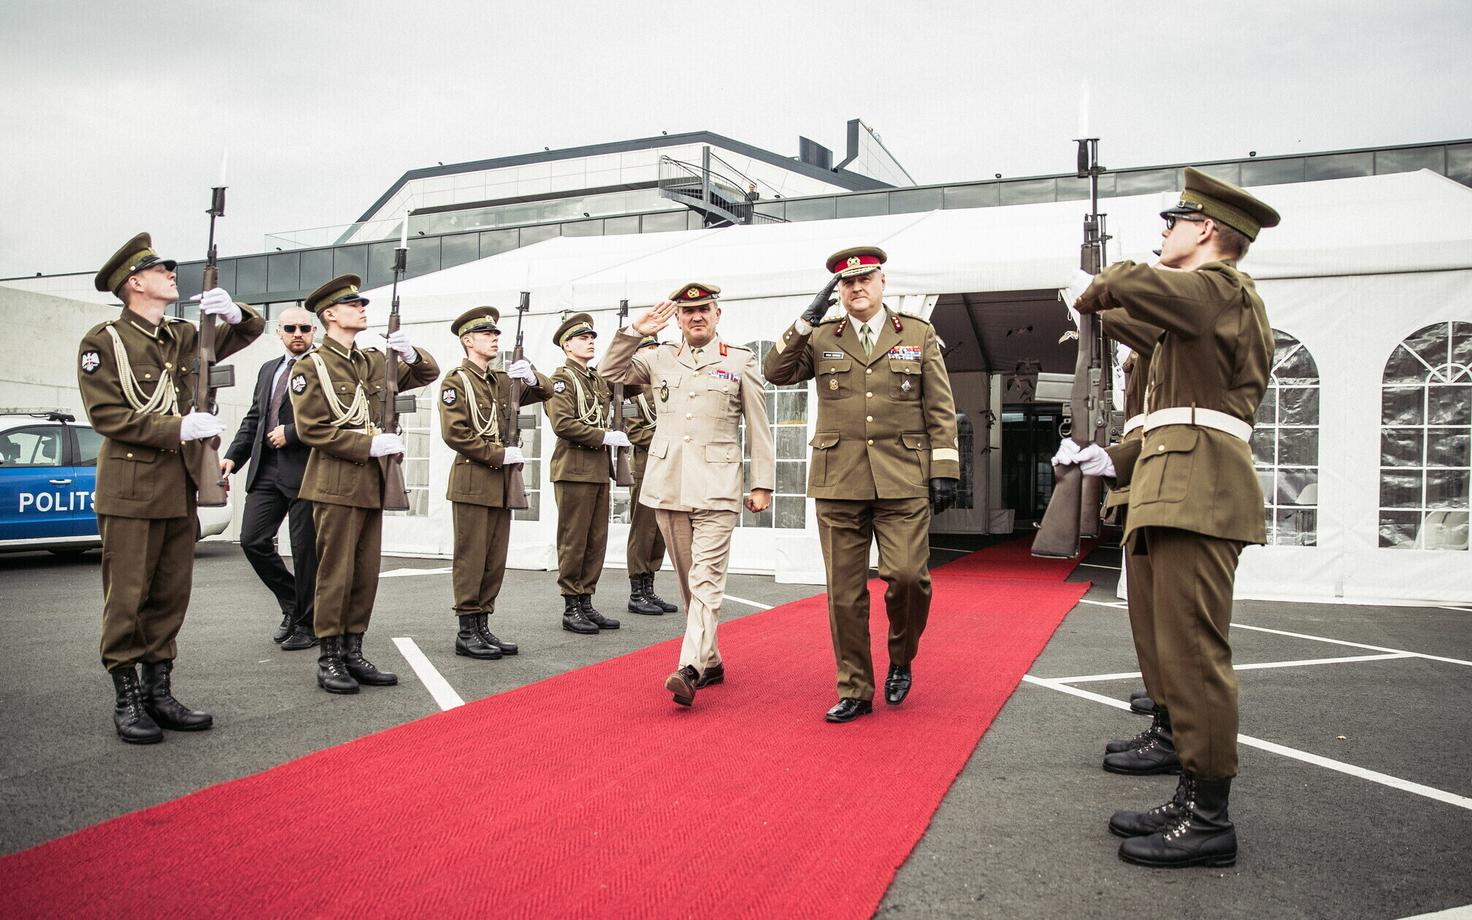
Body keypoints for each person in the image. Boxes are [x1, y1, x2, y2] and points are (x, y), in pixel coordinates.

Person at [1059, 167, 1279, 868]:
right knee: (1174, 653)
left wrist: (1098, 284)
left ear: (1206, 228)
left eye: (1174, 222)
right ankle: (1192, 794)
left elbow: (1135, 284)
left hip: (1200, 488)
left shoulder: (1221, 289)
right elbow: (1162, 384)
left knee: (1194, 656)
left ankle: (1209, 819)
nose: (1165, 234)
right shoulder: (1201, 307)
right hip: (1176, 483)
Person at [79, 232, 264, 743]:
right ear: (134, 282)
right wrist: (177, 427)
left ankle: (159, 691)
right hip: (132, 487)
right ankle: (127, 698)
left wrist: (235, 313)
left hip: (179, 487)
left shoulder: (185, 335)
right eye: (160, 270)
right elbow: (107, 415)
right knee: (129, 596)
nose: (170, 274)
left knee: (170, 594)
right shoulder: (105, 341)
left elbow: (249, 330)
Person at [763, 247, 960, 723]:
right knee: (844, 594)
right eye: (847, 283)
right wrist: (806, 319)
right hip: (838, 480)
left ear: (882, 282)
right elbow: (775, 372)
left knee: (908, 578)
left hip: (903, 479)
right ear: (839, 291)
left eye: (864, 279)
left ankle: (902, 658)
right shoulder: (821, 335)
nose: (856, 288)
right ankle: (855, 688)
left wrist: (944, 469)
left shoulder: (917, 333)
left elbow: (940, 408)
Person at [601, 283, 774, 706]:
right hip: (669, 485)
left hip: (717, 486)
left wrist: (762, 483)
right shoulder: (657, 357)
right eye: (688, 311)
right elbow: (609, 374)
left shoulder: (739, 360)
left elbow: (758, 424)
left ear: (718, 314)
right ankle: (710, 660)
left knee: (706, 580)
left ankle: (689, 668)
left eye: (704, 309)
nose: (696, 316)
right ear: (677, 319)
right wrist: (634, 332)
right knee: (688, 583)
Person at [289, 274, 439, 694]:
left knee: (364, 573)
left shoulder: (374, 360)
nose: (361, 309)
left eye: (362, 304)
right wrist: (368, 445)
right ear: (330, 315)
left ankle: (353, 650)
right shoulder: (311, 366)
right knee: (335, 573)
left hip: (371, 483)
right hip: (335, 483)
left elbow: (426, 372)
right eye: (352, 305)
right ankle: (329, 656)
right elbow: (312, 429)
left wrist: (411, 352)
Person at [437, 306, 550, 659]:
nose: (494, 338)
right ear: (468, 341)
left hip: (501, 484)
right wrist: (499, 455)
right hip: (473, 480)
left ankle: (483, 624)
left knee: (494, 558)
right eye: (486, 334)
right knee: (471, 558)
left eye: (496, 333)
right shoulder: (457, 382)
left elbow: (546, 391)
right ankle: (466, 630)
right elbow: (455, 433)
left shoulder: (503, 381)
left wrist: (530, 375)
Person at [222, 306, 320, 651]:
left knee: (305, 552)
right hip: (266, 468)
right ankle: (293, 602)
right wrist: (233, 456)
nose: (298, 334)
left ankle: (309, 624)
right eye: (290, 328)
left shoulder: (322, 366)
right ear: (279, 332)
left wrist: (291, 433)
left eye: (305, 328)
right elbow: (256, 418)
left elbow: (329, 416)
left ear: (314, 331)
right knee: (252, 540)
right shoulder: (269, 369)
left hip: (306, 469)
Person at [544, 312, 627, 634]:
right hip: (574, 469)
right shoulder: (561, 380)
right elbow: (563, 423)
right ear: (567, 345)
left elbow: (630, 386)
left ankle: (586, 600)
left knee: (596, 541)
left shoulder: (596, 379)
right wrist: (604, 437)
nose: (590, 342)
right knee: (574, 541)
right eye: (582, 338)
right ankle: (571, 606)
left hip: (597, 469)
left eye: (592, 338)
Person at [623, 334, 678, 617]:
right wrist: (667, 441)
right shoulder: (632, 392)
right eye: (648, 349)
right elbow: (634, 432)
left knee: (660, 531)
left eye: (656, 348)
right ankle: (637, 590)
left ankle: (649, 586)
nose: (654, 353)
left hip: (669, 466)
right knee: (643, 529)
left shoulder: (666, 384)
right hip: (646, 466)